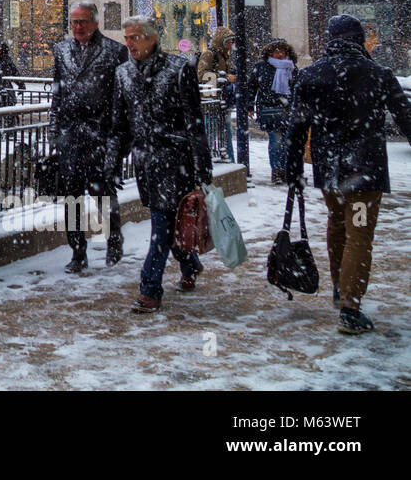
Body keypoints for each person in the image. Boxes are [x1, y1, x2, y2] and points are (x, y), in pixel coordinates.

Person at [284, 14, 411, 334]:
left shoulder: (311, 75)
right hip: (364, 173)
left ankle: (341, 286)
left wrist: (293, 168)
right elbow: (406, 119)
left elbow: (297, 127)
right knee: (359, 234)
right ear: (357, 38)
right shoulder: (378, 74)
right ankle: (350, 306)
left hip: (330, 171)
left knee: (337, 224)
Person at [109, 16, 213, 313]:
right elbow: (120, 124)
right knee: (168, 222)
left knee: (162, 225)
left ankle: (150, 288)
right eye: (127, 37)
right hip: (145, 163)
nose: (129, 43)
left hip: (175, 160)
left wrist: (202, 169)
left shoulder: (179, 69)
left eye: (135, 37)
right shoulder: (123, 73)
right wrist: (113, 161)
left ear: (152, 38)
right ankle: (189, 263)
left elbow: (195, 123)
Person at [51, 1, 129, 273]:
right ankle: (77, 252)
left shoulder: (115, 51)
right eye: (73, 22)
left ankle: (114, 240)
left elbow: (122, 100)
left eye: (83, 21)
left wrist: (118, 140)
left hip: (101, 136)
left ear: (95, 23)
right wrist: (54, 134)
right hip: (70, 137)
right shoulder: (61, 50)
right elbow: (57, 94)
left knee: (103, 196)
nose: (78, 27)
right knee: (71, 199)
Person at [245, 38, 297, 185]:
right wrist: (250, 106)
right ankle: (277, 171)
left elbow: (296, 88)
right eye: (276, 51)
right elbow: (252, 87)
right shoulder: (261, 66)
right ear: (269, 52)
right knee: (276, 140)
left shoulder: (291, 67)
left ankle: (286, 170)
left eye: (282, 51)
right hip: (268, 108)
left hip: (287, 109)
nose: (279, 54)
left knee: (288, 141)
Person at [197, 26, 237, 165]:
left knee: (225, 134)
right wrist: (225, 77)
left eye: (231, 42)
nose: (230, 44)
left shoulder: (225, 56)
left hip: (222, 100)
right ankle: (213, 160)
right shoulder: (210, 54)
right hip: (211, 101)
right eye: (228, 41)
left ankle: (228, 160)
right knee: (212, 134)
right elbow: (202, 74)